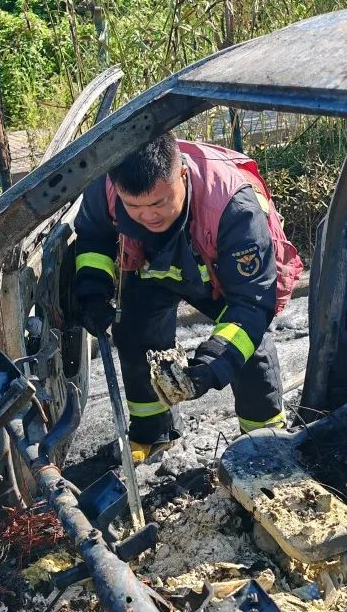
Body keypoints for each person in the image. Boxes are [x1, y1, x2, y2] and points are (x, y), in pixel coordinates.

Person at [73, 131, 304, 461]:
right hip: (153, 266)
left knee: (247, 350)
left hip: (220, 276)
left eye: (159, 202)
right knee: (134, 333)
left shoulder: (233, 206)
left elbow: (251, 304)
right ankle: (153, 434)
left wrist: (211, 365)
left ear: (182, 174)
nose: (149, 216)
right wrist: (93, 292)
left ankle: (264, 439)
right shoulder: (108, 184)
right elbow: (93, 238)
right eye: (134, 206)